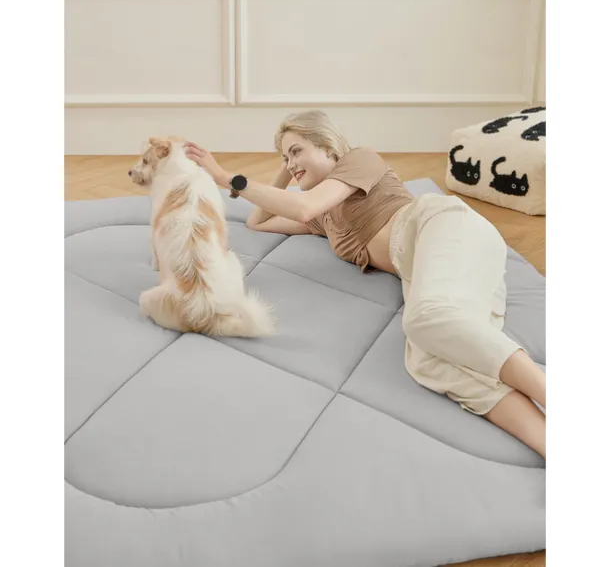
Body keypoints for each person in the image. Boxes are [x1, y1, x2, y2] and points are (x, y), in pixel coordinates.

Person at [185, 110, 546, 459]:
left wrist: (225, 177)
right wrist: (288, 162)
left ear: (328, 147)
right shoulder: (325, 218)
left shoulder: (359, 160)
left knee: (425, 318)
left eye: (297, 151)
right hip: (422, 265)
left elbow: (303, 207)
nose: (291, 163)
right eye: (285, 157)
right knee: (429, 362)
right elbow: (259, 222)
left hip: (440, 226)